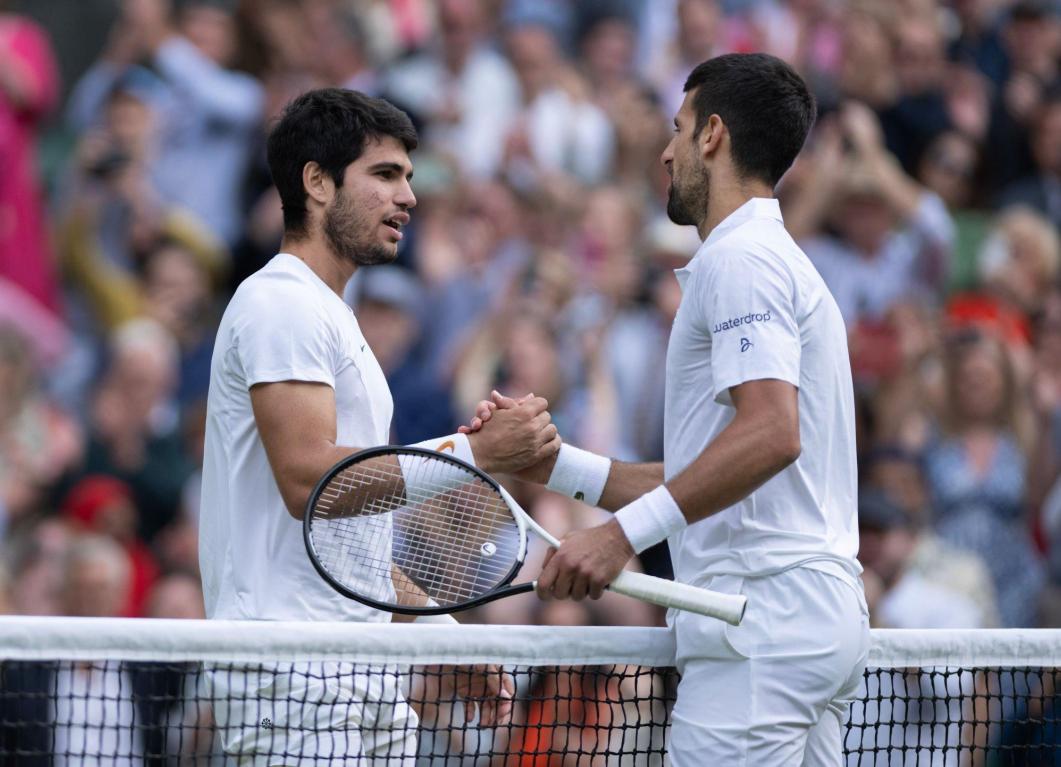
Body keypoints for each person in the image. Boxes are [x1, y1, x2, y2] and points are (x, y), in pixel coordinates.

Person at [466, 53, 868, 765]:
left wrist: (618, 535)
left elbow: (772, 434)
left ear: (711, 136)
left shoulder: (740, 260)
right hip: (801, 621)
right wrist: (551, 464)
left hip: (757, 629)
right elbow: (706, 476)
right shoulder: (772, 258)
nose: (664, 149)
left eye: (676, 129)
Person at [198, 88, 560, 764]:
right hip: (292, 677)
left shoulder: (334, 318)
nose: (409, 197)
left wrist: (443, 634)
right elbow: (311, 483)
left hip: (364, 669)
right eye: (385, 175)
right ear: (317, 182)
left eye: (409, 178)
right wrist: (475, 451)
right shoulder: (280, 303)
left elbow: (347, 543)